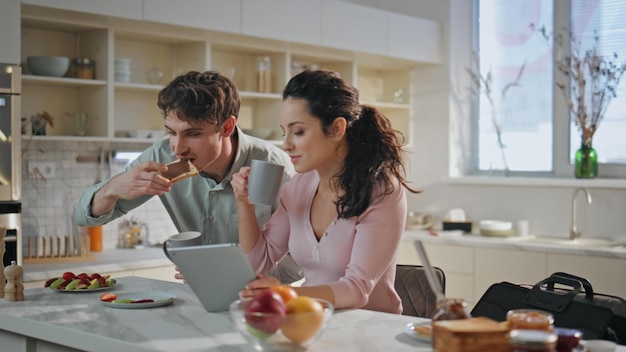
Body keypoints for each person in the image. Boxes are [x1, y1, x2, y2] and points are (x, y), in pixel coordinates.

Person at [75, 70, 302, 283]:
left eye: (193, 134)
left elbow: (297, 264)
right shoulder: (161, 156)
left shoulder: (274, 168)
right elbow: (84, 217)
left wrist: (224, 273)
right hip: (199, 299)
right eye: (172, 132)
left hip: (263, 306)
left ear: (226, 127)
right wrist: (113, 187)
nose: (177, 148)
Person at [231, 69, 420, 314]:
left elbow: (357, 289)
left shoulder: (381, 190)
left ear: (336, 129)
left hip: (371, 329)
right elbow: (258, 260)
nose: (286, 144)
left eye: (298, 131)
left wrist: (284, 294)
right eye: (283, 132)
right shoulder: (298, 188)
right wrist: (244, 202)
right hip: (312, 321)